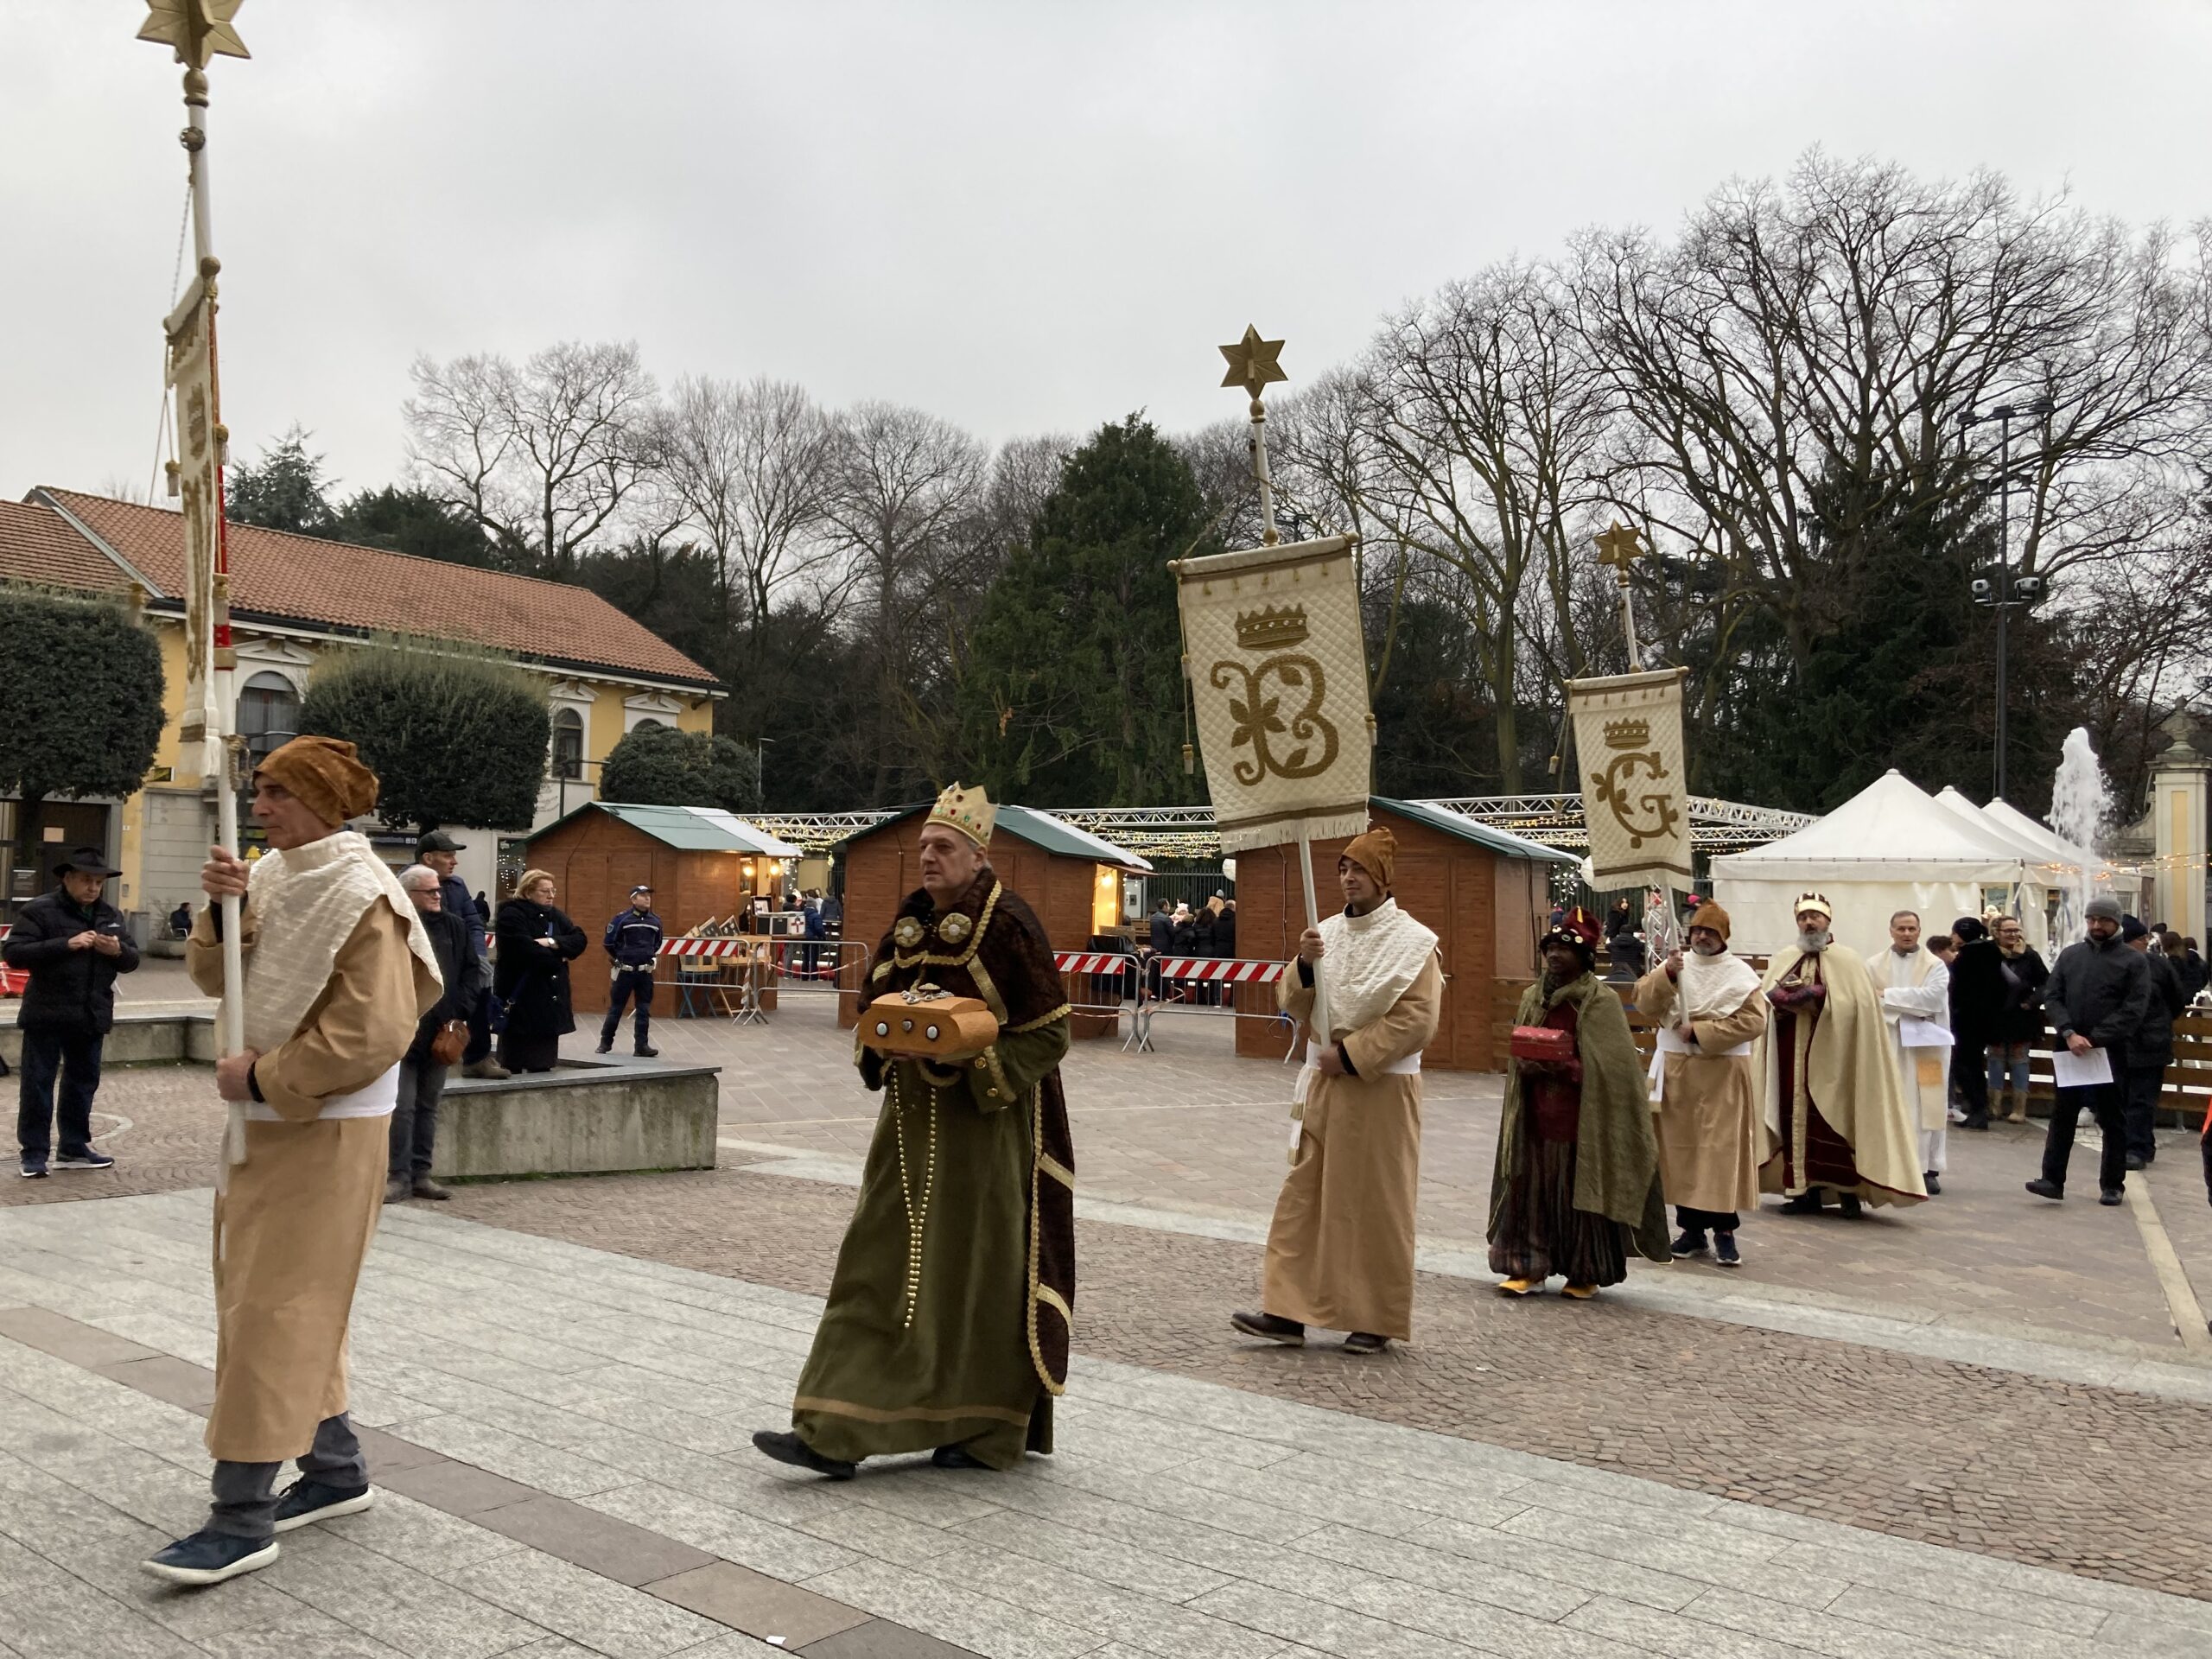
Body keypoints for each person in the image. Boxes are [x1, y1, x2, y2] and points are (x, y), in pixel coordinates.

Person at [143, 736, 442, 1586]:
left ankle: (240, 1516)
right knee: (270, 1301)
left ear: (319, 800)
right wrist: (224, 912)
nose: (260, 805)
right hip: (271, 1123)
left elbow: (376, 1031)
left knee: (273, 1309)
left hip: (327, 1125)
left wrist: (264, 1075)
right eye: (260, 790)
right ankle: (336, 1470)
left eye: (275, 792)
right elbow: (216, 979)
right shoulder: (274, 874)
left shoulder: (363, 893)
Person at [753, 783, 1074, 1478]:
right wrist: (883, 1048)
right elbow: (872, 1008)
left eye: (942, 847)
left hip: (986, 1136)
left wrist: (969, 1059)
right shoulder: (909, 919)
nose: (927, 858)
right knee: (875, 1265)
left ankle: (986, 1428)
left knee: (978, 1278)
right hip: (904, 1128)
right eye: (924, 846)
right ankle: (831, 1427)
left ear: (978, 855)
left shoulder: (1011, 923)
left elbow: (1050, 1035)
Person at [1231, 828, 1441, 1354]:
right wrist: (1303, 964)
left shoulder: (1415, 943)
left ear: (1382, 878)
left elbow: (1417, 1019)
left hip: (1379, 1092)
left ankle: (1375, 1316)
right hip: (1324, 1088)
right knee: (1305, 1196)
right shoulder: (1324, 934)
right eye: (1343, 869)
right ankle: (1287, 1309)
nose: (1348, 878)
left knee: (1375, 1202)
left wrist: (1350, 1056)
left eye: (1359, 870)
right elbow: (1293, 1000)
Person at [1489, 908, 1669, 1296]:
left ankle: (1584, 1271)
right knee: (1531, 1193)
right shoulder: (1531, 997)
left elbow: (1614, 1073)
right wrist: (1527, 1065)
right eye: (1550, 948)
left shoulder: (1599, 1002)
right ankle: (1527, 1265)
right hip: (1535, 1119)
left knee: (1581, 1196)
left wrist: (1569, 1067)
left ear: (1584, 956)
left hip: (1581, 1126)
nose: (1555, 955)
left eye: (1565, 949)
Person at [1757, 893, 1925, 1216]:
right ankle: (1803, 1191)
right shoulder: (1784, 958)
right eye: (1803, 917)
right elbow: (1763, 1006)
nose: (1809, 922)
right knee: (1795, 1120)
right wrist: (1781, 1004)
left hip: (1838, 1059)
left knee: (1837, 1120)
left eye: (1815, 917)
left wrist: (1821, 1001)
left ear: (1828, 921)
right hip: (1791, 1056)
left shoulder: (1848, 961)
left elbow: (1860, 1007)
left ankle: (1849, 1192)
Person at [1635, 901, 1765, 1266]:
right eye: (1697, 931)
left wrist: (1702, 1032)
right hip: (1676, 1070)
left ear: (1723, 936)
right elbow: (1644, 1002)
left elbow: (1753, 1023)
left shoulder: (1740, 975)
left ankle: (1725, 1232)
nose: (1702, 937)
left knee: (1718, 1153)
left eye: (1710, 931)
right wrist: (1668, 977)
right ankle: (1691, 1230)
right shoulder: (1675, 965)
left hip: (1721, 1073)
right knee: (1681, 1151)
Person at [8, 846, 137, 1179]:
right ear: (67, 879)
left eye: (98, 882)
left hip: (91, 1014)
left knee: (82, 1084)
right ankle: (34, 1154)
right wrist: (66, 944)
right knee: (37, 1084)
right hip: (47, 1014)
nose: (93, 888)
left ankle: (73, 1148)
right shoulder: (40, 911)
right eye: (86, 881)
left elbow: (132, 961)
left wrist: (117, 950)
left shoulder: (110, 914)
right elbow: (14, 953)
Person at [2026, 896, 2152, 1207]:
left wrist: (2095, 1039)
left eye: (2104, 920)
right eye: (2092, 919)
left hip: (2109, 1051)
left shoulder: (2133, 961)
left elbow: (2133, 1009)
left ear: (2116, 923)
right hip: (2070, 1047)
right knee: (2063, 1114)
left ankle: (2113, 1184)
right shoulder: (2070, 956)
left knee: (2112, 1118)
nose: (2097, 925)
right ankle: (2052, 1179)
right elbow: (2053, 996)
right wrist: (2068, 1032)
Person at [388, 865, 475, 1204]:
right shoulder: (398, 927)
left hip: (442, 1033)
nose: (439, 895)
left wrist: (460, 1009)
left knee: (429, 1106)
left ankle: (421, 1173)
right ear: (409, 895)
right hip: (404, 1033)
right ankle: (398, 1175)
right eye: (430, 891)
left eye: (438, 890)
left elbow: (472, 970)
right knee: (402, 1107)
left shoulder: (455, 926)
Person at [1866, 912, 1953, 1196]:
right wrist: (1907, 1000)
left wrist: (1888, 996)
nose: (1906, 933)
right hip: (1889, 1042)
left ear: (1919, 931)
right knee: (1892, 1101)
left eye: (1912, 928)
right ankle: (1889, 1164)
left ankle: (1927, 1168)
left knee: (1927, 1103)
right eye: (1901, 928)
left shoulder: (1935, 965)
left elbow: (1932, 1000)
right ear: (1891, 931)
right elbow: (1868, 1000)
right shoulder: (1873, 964)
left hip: (1927, 1046)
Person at [417, 831, 506, 1081]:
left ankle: (477, 1059)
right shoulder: (411, 883)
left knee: (480, 991)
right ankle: (422, 1056)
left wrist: (478, 956)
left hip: (463, 959)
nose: (454, 861)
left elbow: (474, 923)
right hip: (430, 962)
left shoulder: (457, 886)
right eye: (448, 855)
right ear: (427, 858)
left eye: (454, 855)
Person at [493, 871, 587, 1074]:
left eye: (553, 890)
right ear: (528, 892)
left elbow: (579, 940)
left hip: (550, 1000)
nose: (551, 895)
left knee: (543, 1064)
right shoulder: (511, 915)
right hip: (522, 998)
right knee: (514, 1062)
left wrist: (552, 942)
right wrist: (559, 956)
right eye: (545, 891)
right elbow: (524, 950)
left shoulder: (556, 916)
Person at [2120, 916, 2186, 1171]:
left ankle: (2136, 1148)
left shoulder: (2157, 965)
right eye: (2141, 938)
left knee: (2141, 1099)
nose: (2147, 942)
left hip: (2150, 1043)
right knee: (2127, 1098)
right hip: (2123, 1041)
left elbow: (2177, 999)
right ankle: (2140, 1145)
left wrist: (2159, 1022)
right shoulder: (2114, 964)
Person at [1987, 916, 2050, 1122]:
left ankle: (2019, 1109)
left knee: (2020, 1060)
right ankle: (1993, 1107)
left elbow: (2046, 984)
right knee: (1995, 1059)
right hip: (1995, 1016)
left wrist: (2031, 1001)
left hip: (2022, 1017)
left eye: (2016, 930)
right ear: (1997, 932)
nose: (2013, 934)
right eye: (2008, 931)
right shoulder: (1987, 953)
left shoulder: (2030, 955)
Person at [1944, 917, 2003, 1131]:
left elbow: (1957, 989)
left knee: (1964, 1066)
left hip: (1966, 1020)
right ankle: (1979, 1110)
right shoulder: (1992, 952)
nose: (1952, 936)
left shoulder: (1967, 956)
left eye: (1954, 932)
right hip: (1986, 1020)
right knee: (1975, 1066)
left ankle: (1978, 1110)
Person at [597, 885, 663, 1058]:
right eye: (642, 895)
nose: (647, 898)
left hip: (644, 972)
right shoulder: (621, 920)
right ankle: (605, 1043)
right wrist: (622, 957)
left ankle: (641, 1046)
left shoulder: (655, 921)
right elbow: (609, 942)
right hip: (625, 971)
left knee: (643, 1009)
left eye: (648, 895)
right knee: (616, 1008)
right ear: (633, 900)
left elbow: (657, 943)